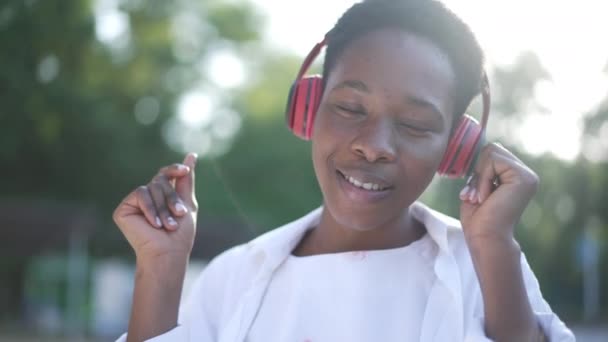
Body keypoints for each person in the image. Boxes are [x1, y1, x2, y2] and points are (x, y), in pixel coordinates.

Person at [114, 0, 575, 341]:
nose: (374, 147)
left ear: (456, 147)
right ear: (309, 109)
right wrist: (159, 269)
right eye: (351, 108)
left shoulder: (486, 269)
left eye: (415, 124)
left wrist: (494, 245)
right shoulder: (232, 278)